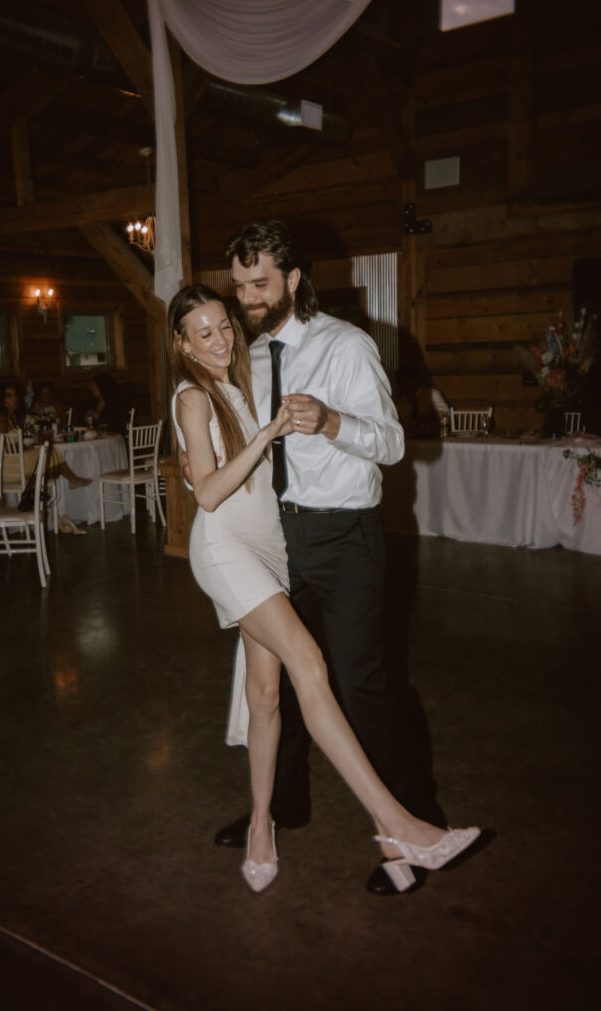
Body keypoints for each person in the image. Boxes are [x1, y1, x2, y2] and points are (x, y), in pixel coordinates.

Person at [168, 283, 480, 894]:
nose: (222, 339)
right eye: (204, 333)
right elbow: (205, 493)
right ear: (181, 343)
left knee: (265, 695)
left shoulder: (240, 377)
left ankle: (263, 824)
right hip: (228, 549)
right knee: (310, 665)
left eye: (225, 325)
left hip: (270, 545)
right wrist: (266, 435)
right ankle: (398, 827)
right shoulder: (192, 396)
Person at [215, 220, 446, 896]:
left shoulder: (345, 346)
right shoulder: (249, 359)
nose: (247, 299)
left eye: (259, 284)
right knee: (279, 685)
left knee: (360, 683)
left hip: (343, 540)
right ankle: (285, 806)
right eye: (238, 286)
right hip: (273, 539)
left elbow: (395, 445)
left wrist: (332, 423)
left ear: (292, 278)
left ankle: (415, 826)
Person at [0, 382, 91, 491]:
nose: (14, 398)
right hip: (7, 467)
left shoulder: (11, 417)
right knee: (51, 454)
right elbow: (3, 447)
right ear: (1, 400)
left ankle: (34, 480)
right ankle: (71, 480)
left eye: (15, 395)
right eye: (9, 396)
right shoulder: (0, 419)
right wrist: (25, 448)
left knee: (50, 457)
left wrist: (27, 446)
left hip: (15, 462)